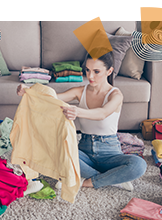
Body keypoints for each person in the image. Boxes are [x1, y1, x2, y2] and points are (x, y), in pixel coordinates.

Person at [17, 51, 146, 191]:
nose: (90, 76)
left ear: (109, 71)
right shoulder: (80, 91)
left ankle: (86, 182)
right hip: (84, 151)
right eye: (88, 70)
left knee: (139, 165)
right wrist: (28, 91)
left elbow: (102, 113)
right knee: (55, 148)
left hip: (110, 153)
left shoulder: (115, 95)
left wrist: (78, 111)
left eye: (96, 71)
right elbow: (52, 98)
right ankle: (112, 179)